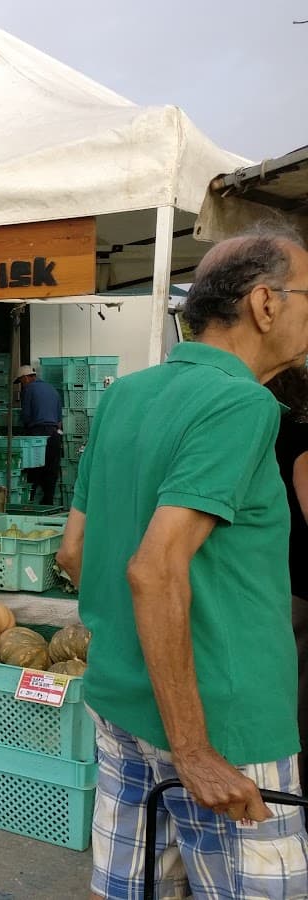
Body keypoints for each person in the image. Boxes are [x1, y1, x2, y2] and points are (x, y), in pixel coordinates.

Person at [56, 225, 308, 898]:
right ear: (265, 303)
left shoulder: (127, 395)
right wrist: (194, 750)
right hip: (221, 724)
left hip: (119, 700)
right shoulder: (243, 403)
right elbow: (155, 568)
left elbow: (73, 551)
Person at [267, 364, 308, 774]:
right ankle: (294, 777)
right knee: (298, 686)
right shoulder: (299, 437)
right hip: (299, 577)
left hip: (269, 571)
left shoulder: (254, 431)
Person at [14, 364, 64, 505]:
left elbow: (26, 415)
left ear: (26, 378)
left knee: (34, 467)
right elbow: (59, 419)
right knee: (51, 469)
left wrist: (23, 430)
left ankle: (29, 502)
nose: (21, 385)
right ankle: (48, 502)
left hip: (38, 433)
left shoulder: (29, 390)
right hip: (54, 433)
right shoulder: (52, 389)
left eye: (21, 381)